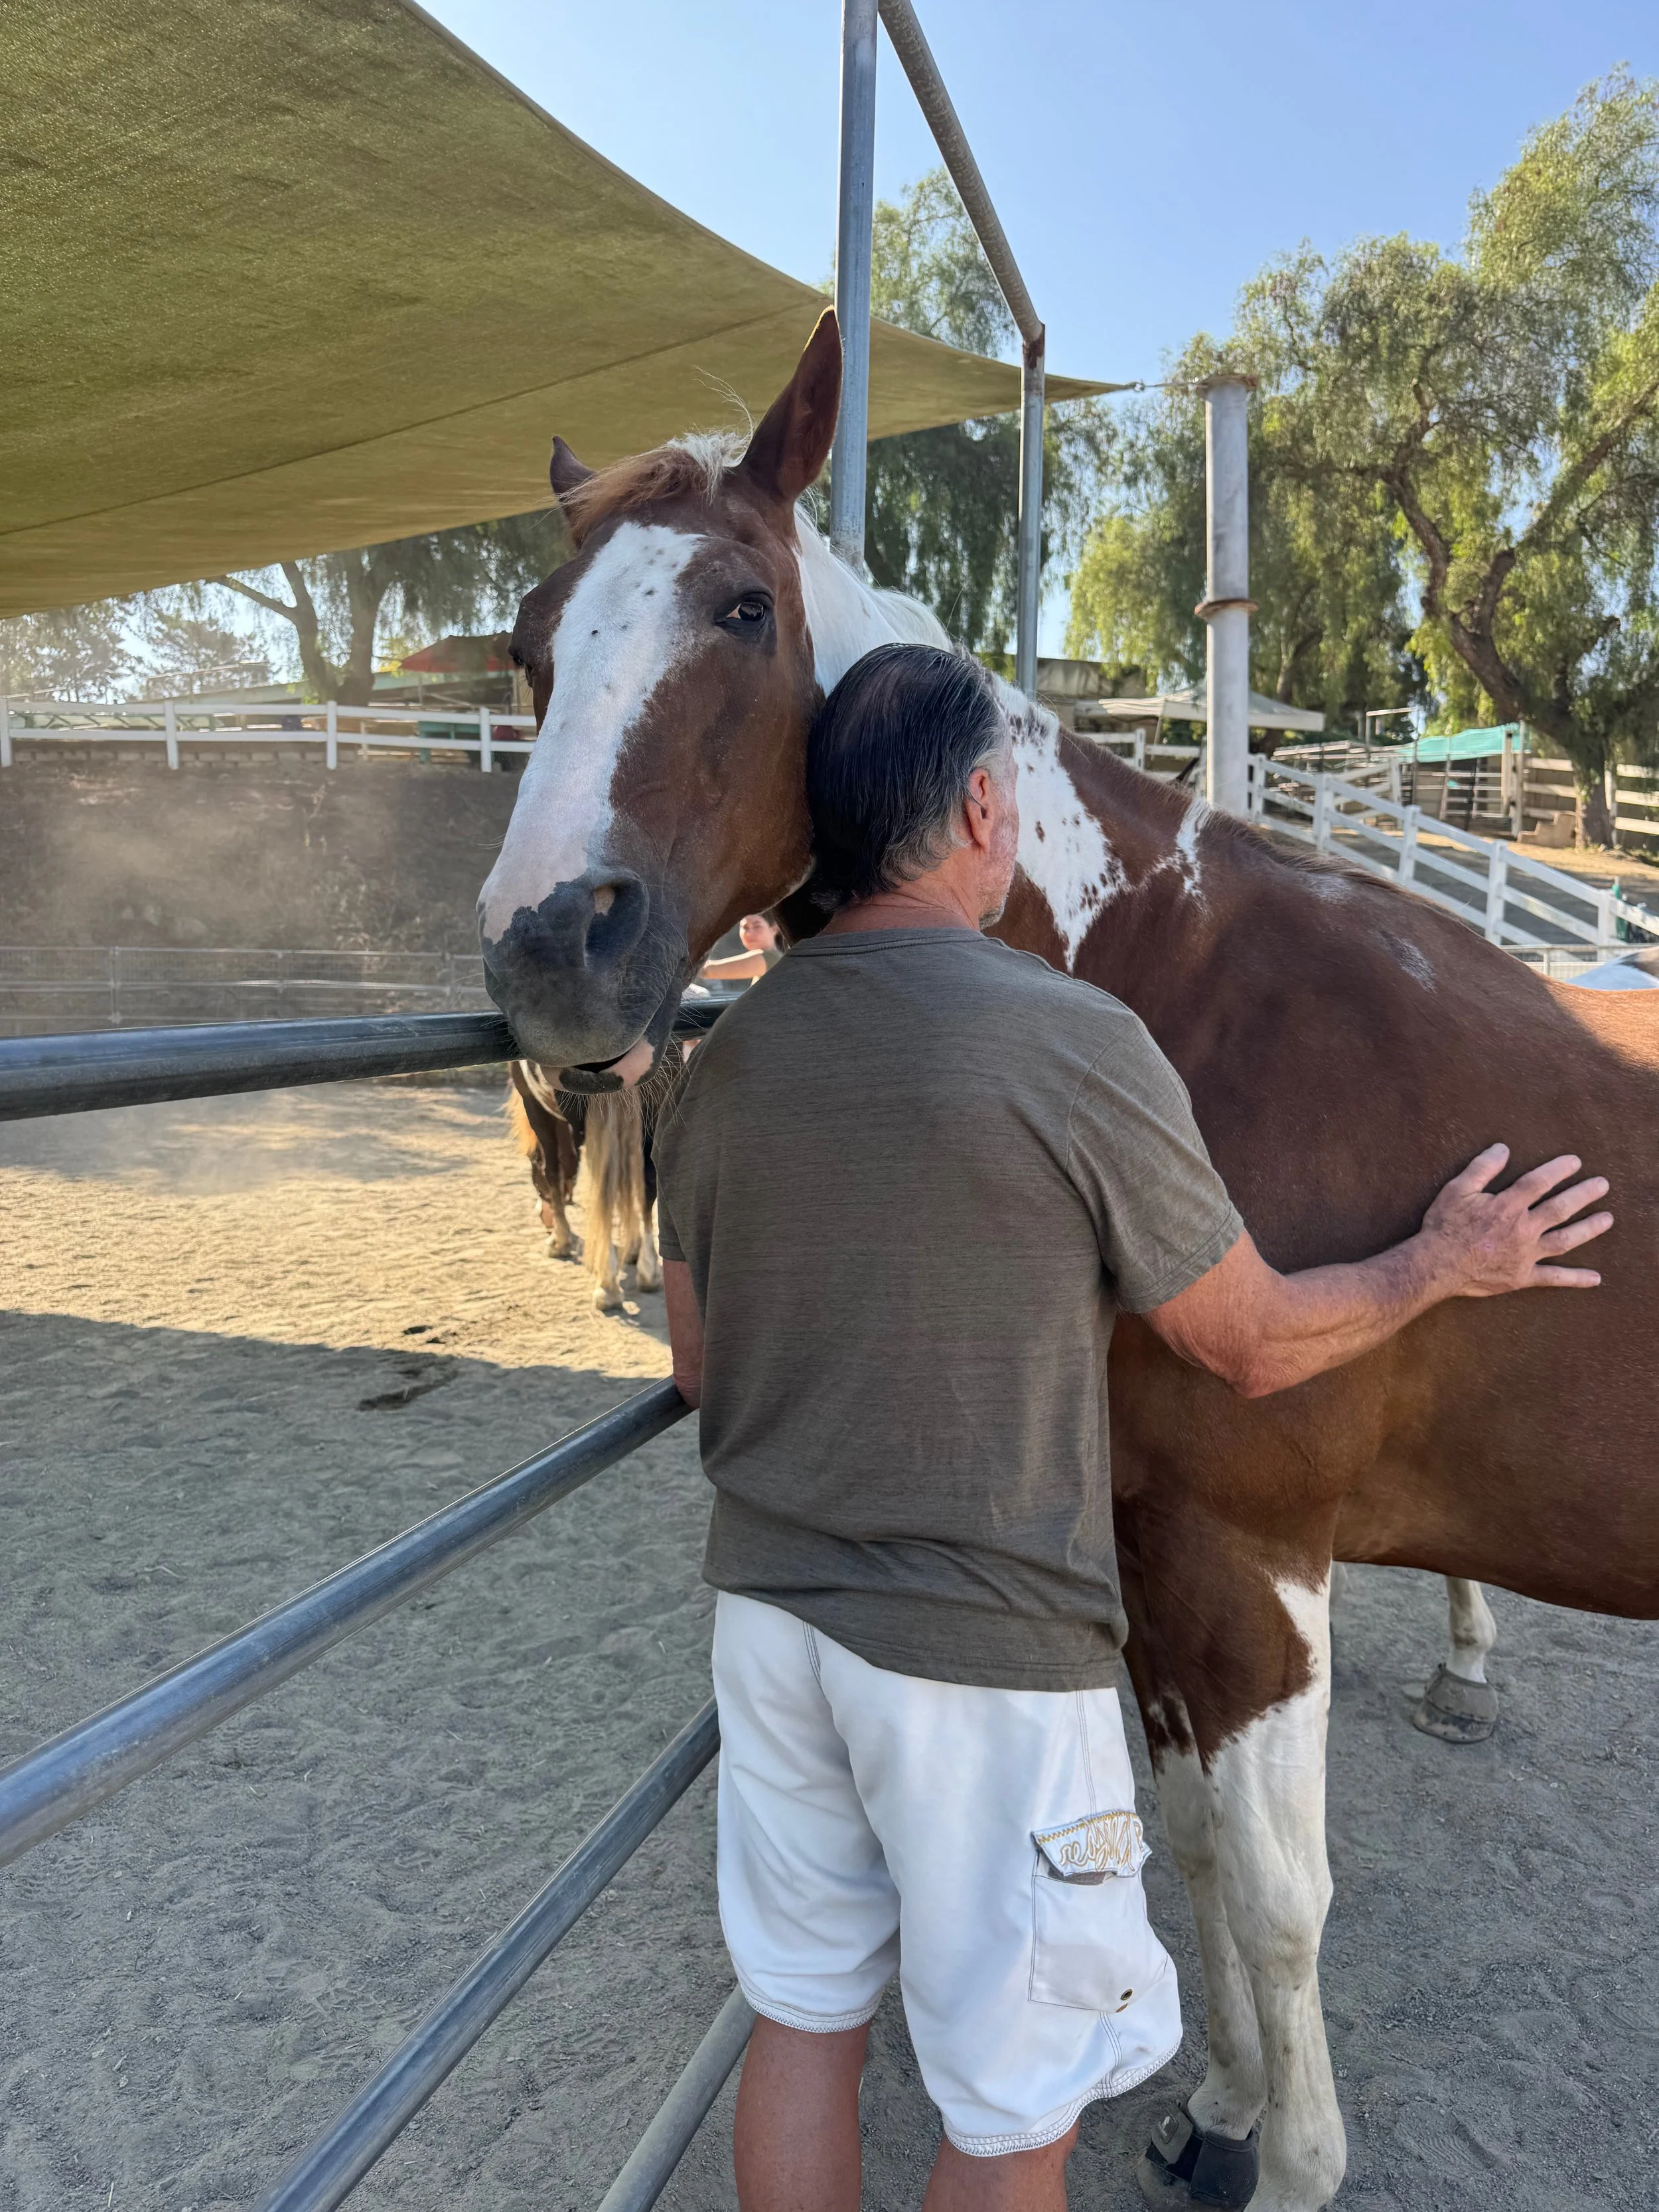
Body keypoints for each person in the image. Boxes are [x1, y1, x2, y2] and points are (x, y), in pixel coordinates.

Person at [650, 644, 1611, 2212]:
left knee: (807, 2021)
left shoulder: (732, 1058)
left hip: (766, 1629)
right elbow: (1245, 1345)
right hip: (979, 1657)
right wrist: (1443, 1262)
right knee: (1017, 2099)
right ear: (982, 807)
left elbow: (699, 1363)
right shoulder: (1074, 1040)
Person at [701, 912, 784, 984]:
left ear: (774, 929)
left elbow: (707, 971)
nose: (748, 934)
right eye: (745, 927)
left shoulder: (772, 959)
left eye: (757, 926)